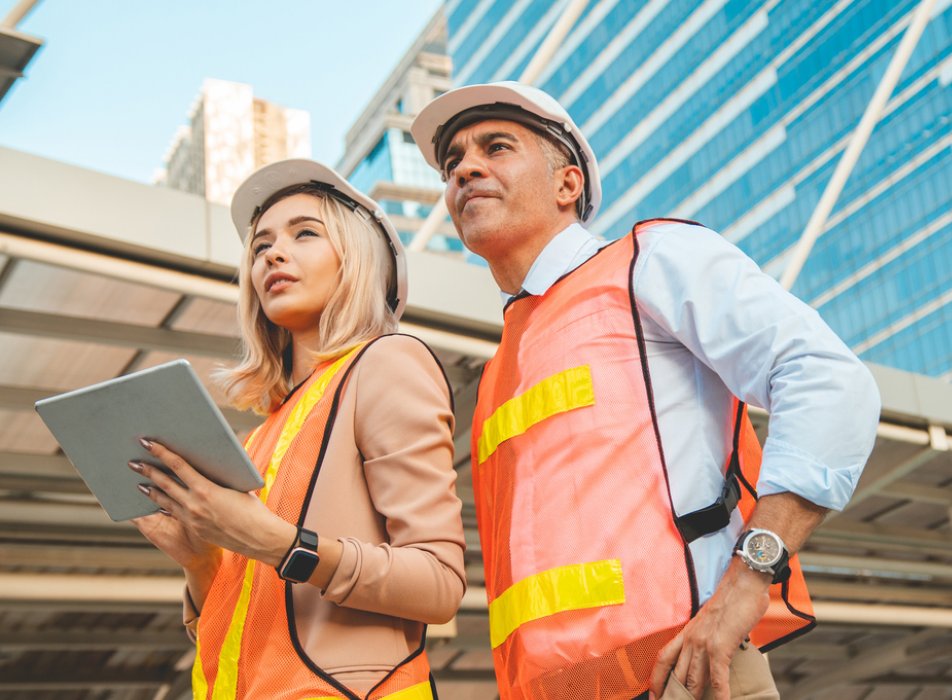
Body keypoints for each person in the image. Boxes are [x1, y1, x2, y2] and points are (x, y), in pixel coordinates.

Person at [410, 82, 881, 700]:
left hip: (681, 677)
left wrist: (747, 582)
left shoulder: (649, 259)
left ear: (567, 185)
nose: (465, 169)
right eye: (453, 165)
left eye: (496, 147)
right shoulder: (506, 362)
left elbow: (829, 380)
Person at [129, 159, 466, 699]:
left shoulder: (388, 362)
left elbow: (439, 583)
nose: (272, 254)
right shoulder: (260, 437)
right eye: (260, 247)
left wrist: (281, 544)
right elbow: (250, 624)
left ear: (358, 259)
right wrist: (199, 562)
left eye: (304, 234)